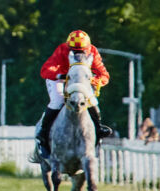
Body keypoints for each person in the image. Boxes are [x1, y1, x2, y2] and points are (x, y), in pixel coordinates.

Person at [36, 30, 113, 158]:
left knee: (92, 101)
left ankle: (98, 129)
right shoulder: (62, 49)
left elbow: (104, 75)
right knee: (58, 100)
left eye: (82, 50)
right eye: (74, 50)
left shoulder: (93, 51)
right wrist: (59, 75)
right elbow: (45, 70)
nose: (78, 54)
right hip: (60, 78)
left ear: (87, 47)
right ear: (68, 47)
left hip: (81, 80)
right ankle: (43, 132)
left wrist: (93, 80)